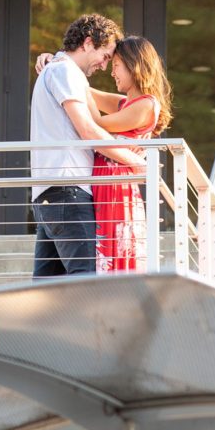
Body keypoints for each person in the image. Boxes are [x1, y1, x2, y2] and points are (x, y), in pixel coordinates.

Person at [35, 35, 173, 272]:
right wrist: (57, 61)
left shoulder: (146, 105)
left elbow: (95, 122)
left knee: (107, 262)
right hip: (101, 188)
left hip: (116, 191)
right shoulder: (125, 104)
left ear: (134, 65)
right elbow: (84, 91)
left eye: (116, 64)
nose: (111, 71)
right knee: (94, 264)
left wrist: (63, 67)